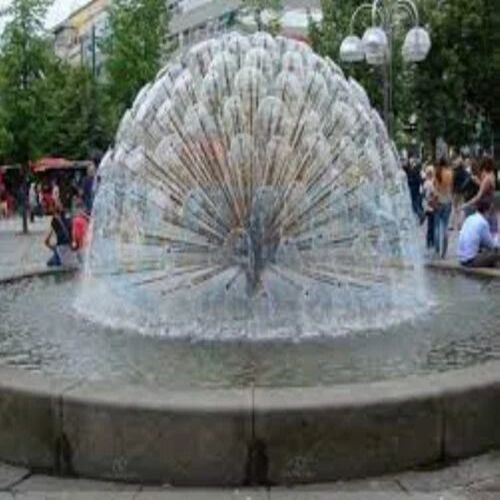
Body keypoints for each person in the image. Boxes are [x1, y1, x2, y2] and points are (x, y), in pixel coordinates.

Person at [458, 199, 499, 268]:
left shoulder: (470, 218)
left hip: (461, 258)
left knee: (489, 254)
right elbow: (491, 245)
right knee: (497, 252)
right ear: (487, 211)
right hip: (470, 261)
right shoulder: (483, 222)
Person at [462, 156, 497, 235]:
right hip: (490, 206)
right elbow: (486, 188)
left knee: (484, 233)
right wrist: (479, 182)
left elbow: (478, 196)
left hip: (485, 208)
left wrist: (466, 205)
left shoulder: (487, 178)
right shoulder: (492, 175)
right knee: (491, 232)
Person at [433, 158, 453, 259]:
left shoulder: (437, 173)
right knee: (445, 227)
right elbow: (451, 187)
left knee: (436, 227)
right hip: (448, 201)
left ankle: (437, 251)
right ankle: (444, 253)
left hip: (439, 201)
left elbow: (435, 188)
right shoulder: (450, 173)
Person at [44, 201, 72, 267]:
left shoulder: (54, 221)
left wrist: (54, 248)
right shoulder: (69, 218)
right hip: (71, 249)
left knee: (49, 263)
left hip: (61, 251)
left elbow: (46, 241)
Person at [71, 199, 91, 264]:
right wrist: (74, 241)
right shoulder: (76, 220)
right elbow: (74, 232)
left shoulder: (84, 219)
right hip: (81, 244)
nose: (80, 211)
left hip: (84, 243)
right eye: (79, 209)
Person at [422, 165, 435, 250]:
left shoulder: (425, 182)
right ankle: (430, 242)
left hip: (427, 206)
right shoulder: (430, 183)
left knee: (430, 225)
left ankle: (429, 241)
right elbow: (433, 194)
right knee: (431, 225)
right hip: (431, 206)